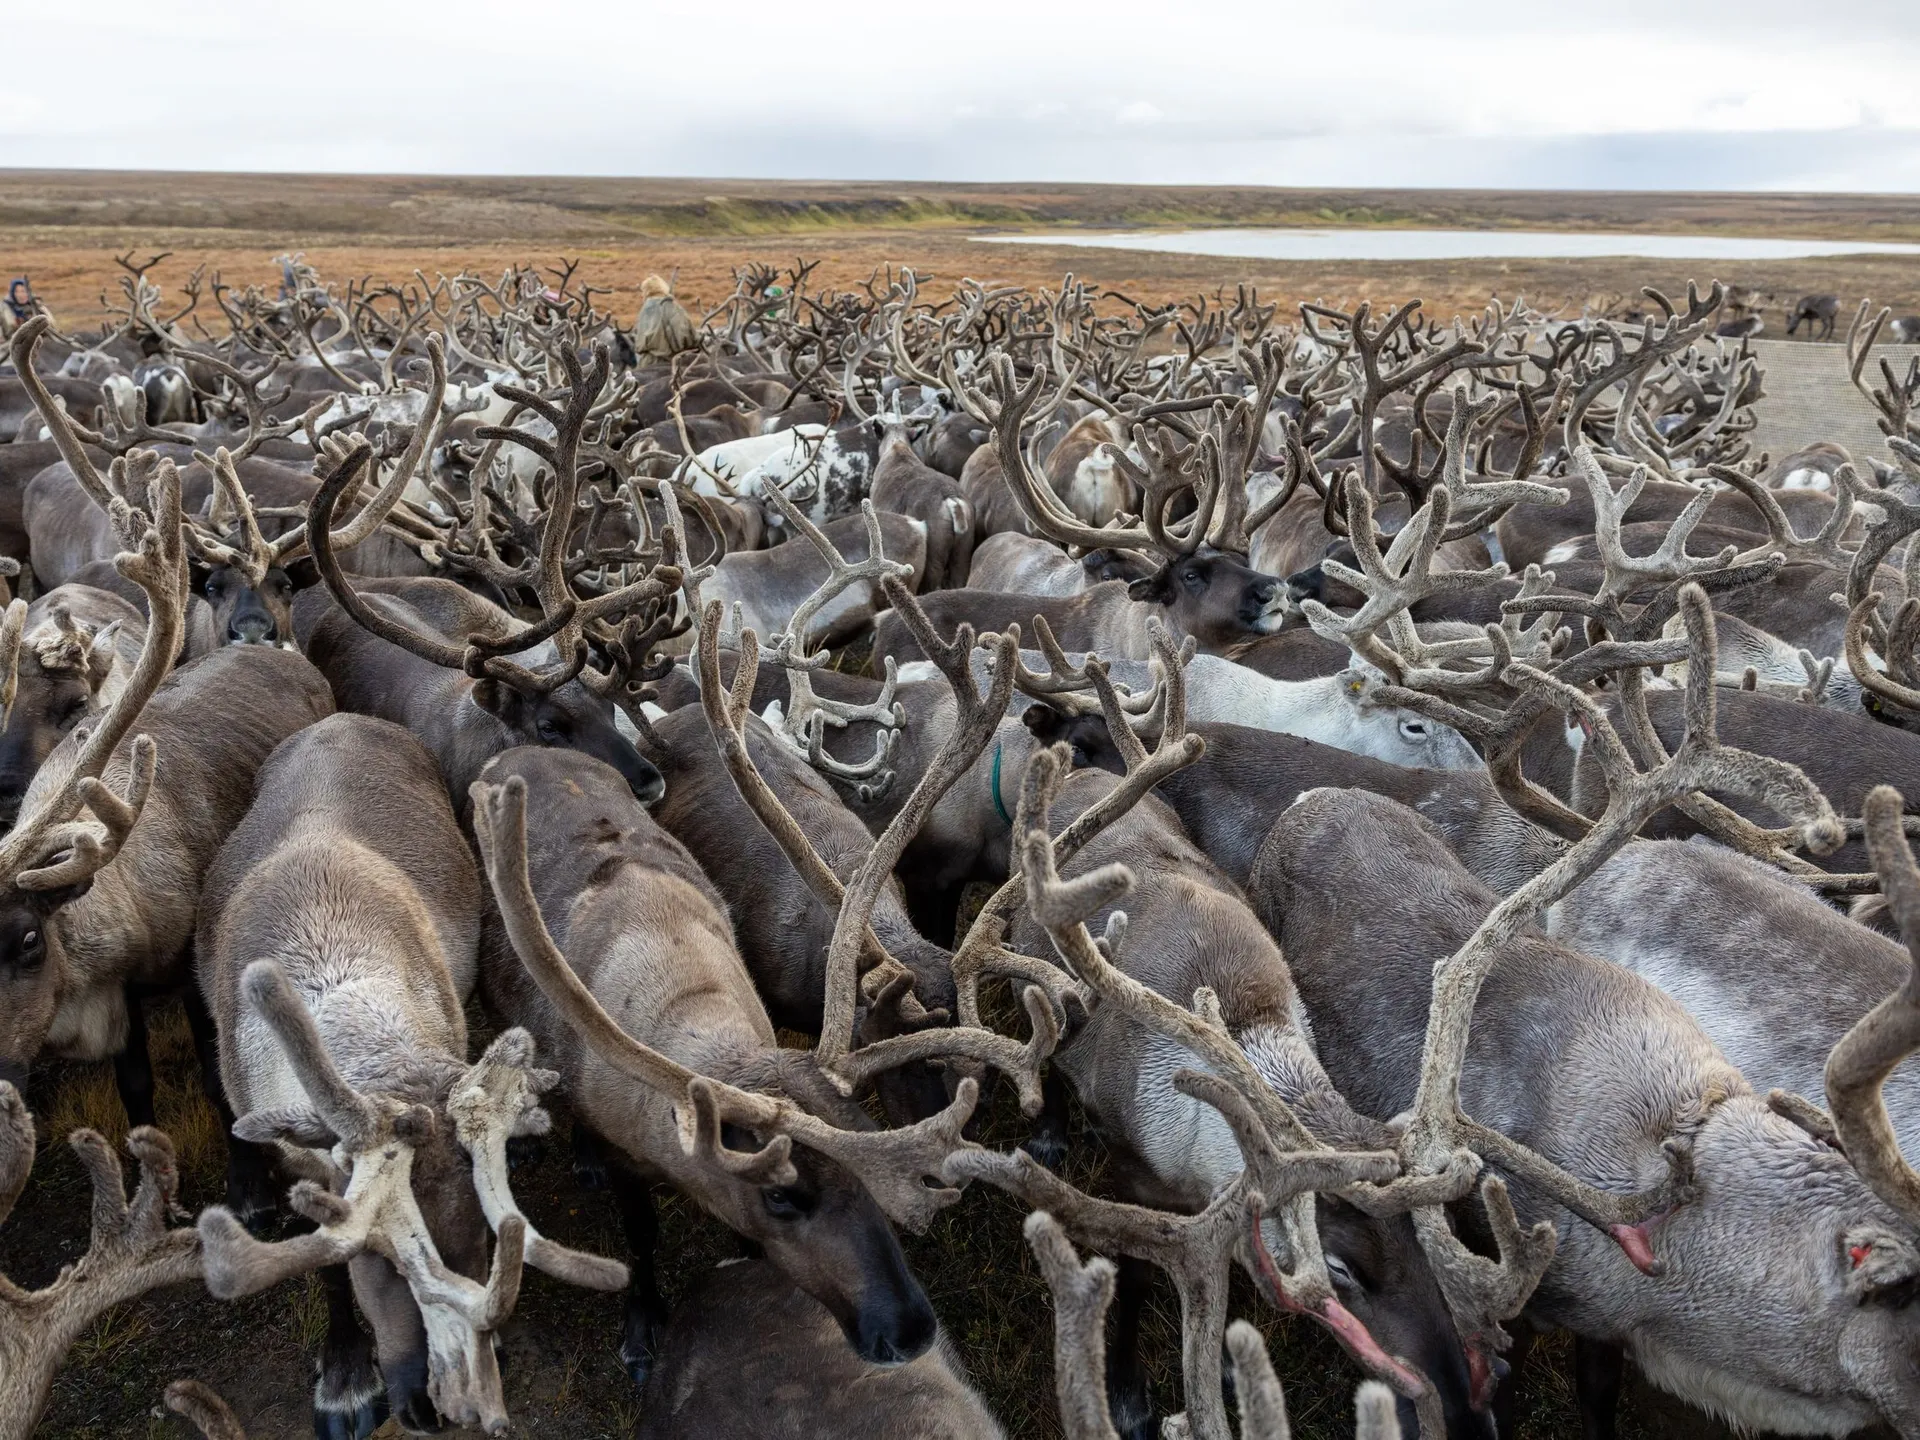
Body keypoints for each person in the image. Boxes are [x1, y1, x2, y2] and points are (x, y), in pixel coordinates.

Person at [632, 274, 696, 362]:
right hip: (671, 362)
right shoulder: (672, 306)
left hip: (646, 362)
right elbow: (687, 336)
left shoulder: (644, 311)